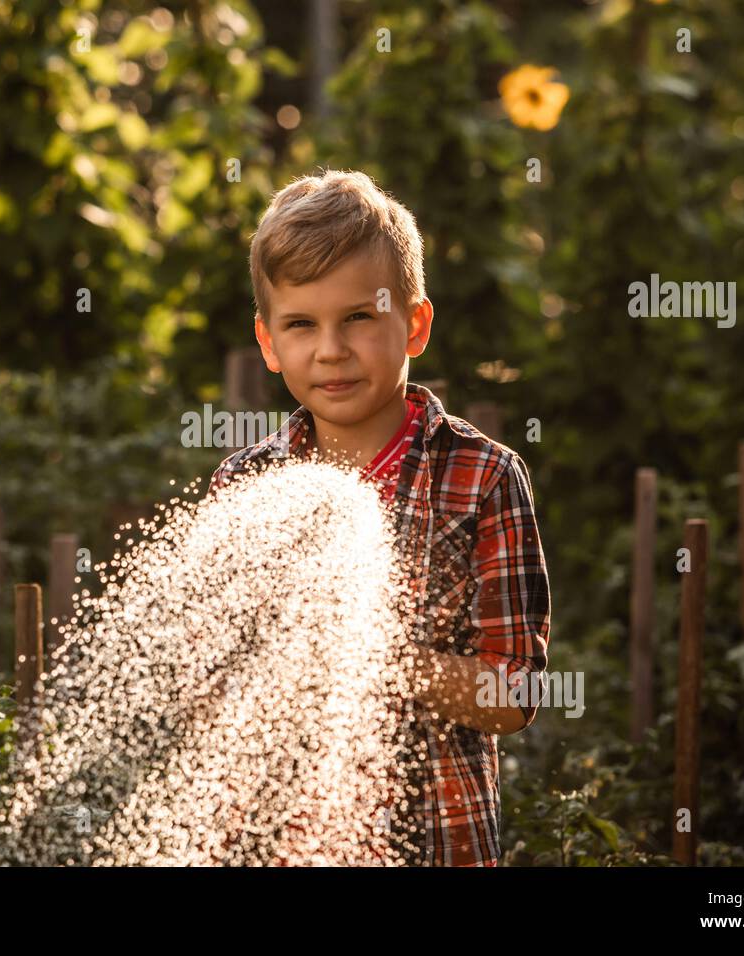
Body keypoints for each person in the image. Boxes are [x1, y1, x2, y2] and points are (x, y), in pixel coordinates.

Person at [206, 169, 551, 866]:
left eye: (359, 317)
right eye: (301, 324)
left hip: (436, 843)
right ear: (268, 342)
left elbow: (514, 693)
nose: (330, 349)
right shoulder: (247, 484)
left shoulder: (482, 477)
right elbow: (211, 692)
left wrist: (374, 659)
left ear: (414, 323)